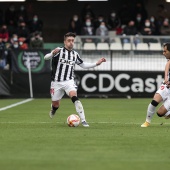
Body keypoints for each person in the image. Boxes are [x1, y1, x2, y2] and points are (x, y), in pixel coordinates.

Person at [44, 32, 106, 127]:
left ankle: (84, 120)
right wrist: (52, 53)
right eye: (69, 40)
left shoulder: (75, 54)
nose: (71, 42)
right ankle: (53, 109)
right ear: (65, 42)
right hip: (56, 82)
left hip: (69, 81)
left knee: (75, 97)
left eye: (72, 40)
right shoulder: (59, 51)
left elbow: (83, 65)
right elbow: (45, 58)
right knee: (56, 104)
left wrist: (96, 64)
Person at [141, 43, 170, 127]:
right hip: (166, 87)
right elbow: (167, 66)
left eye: (165, 51)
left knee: (160, 113)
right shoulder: (169, 61)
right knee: (154, 101)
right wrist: (166, 78)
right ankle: (147, 122)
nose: (163, 53)